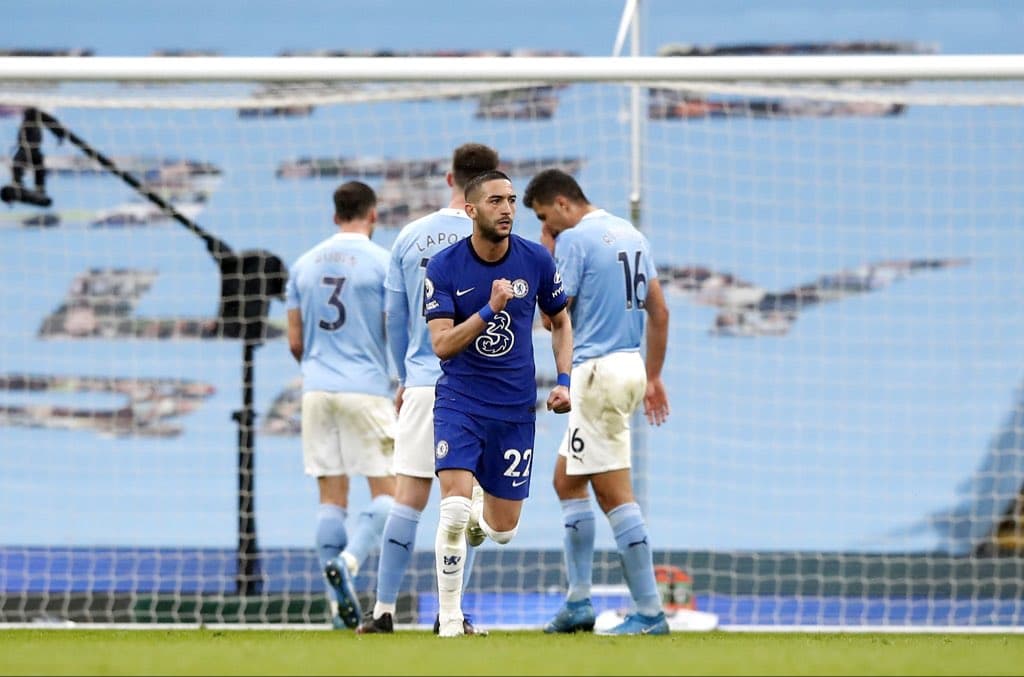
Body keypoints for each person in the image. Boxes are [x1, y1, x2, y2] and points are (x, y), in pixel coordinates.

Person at [357, 142, 501, 636]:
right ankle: (450, 615)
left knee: (407, 499)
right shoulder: (494, 238)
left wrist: (404, 375)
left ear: (449, 178)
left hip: (421, 383)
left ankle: (381, 610)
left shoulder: (410, 236)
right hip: (475, 389)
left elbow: (395, 317)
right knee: (465, 504)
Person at [424, 169, 574, 637]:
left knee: (503, 531)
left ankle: (476, 520)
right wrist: (490, 309)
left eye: (510, 200)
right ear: (471, 210)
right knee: (450, 508)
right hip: (460, 402)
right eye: (495, 201)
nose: (507, 208)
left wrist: (565, 381)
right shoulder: (444, 267)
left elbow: (561, 322)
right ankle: (450, 620)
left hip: (513, 412)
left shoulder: (535, 260)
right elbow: (443, 345)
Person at [523, 168, 672, 636]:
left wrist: (546, 256)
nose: (547, 229)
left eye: (546, 219)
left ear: (563, 204)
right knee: (566, 481)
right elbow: (660, 312)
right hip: (628, 365)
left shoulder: (574, 241)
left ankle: (650, 613)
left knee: (614, 494)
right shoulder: (632, 235)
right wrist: (654, 376)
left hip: (597, 371)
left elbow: (554, 318)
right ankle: (578, 602)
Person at [285, 180, 396, 630]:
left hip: (315, 389)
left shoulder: (303, 265)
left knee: (331, 499)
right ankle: (350, 562)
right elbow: (397, 328)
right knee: (391, 494)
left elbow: (294, 340)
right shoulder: (384, 264)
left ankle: (336, 608)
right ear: (373, 215)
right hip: (365, 388)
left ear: (335, 216)